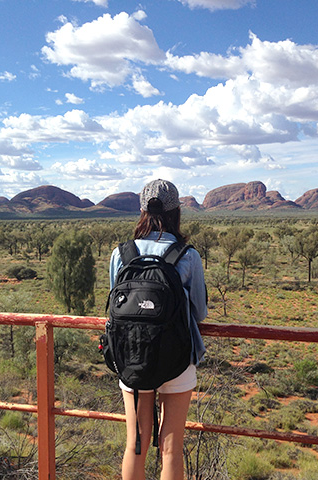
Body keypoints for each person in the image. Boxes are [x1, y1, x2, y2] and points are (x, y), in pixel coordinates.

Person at [109, 179, 208, 480]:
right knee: (171, 447)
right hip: (177, 358)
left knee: (135, 444)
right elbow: (200, 313)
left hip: (133, 358)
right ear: (176, 212)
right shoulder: (187, 256)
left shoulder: (121, 254)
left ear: (141, 211)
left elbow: (116, 307)